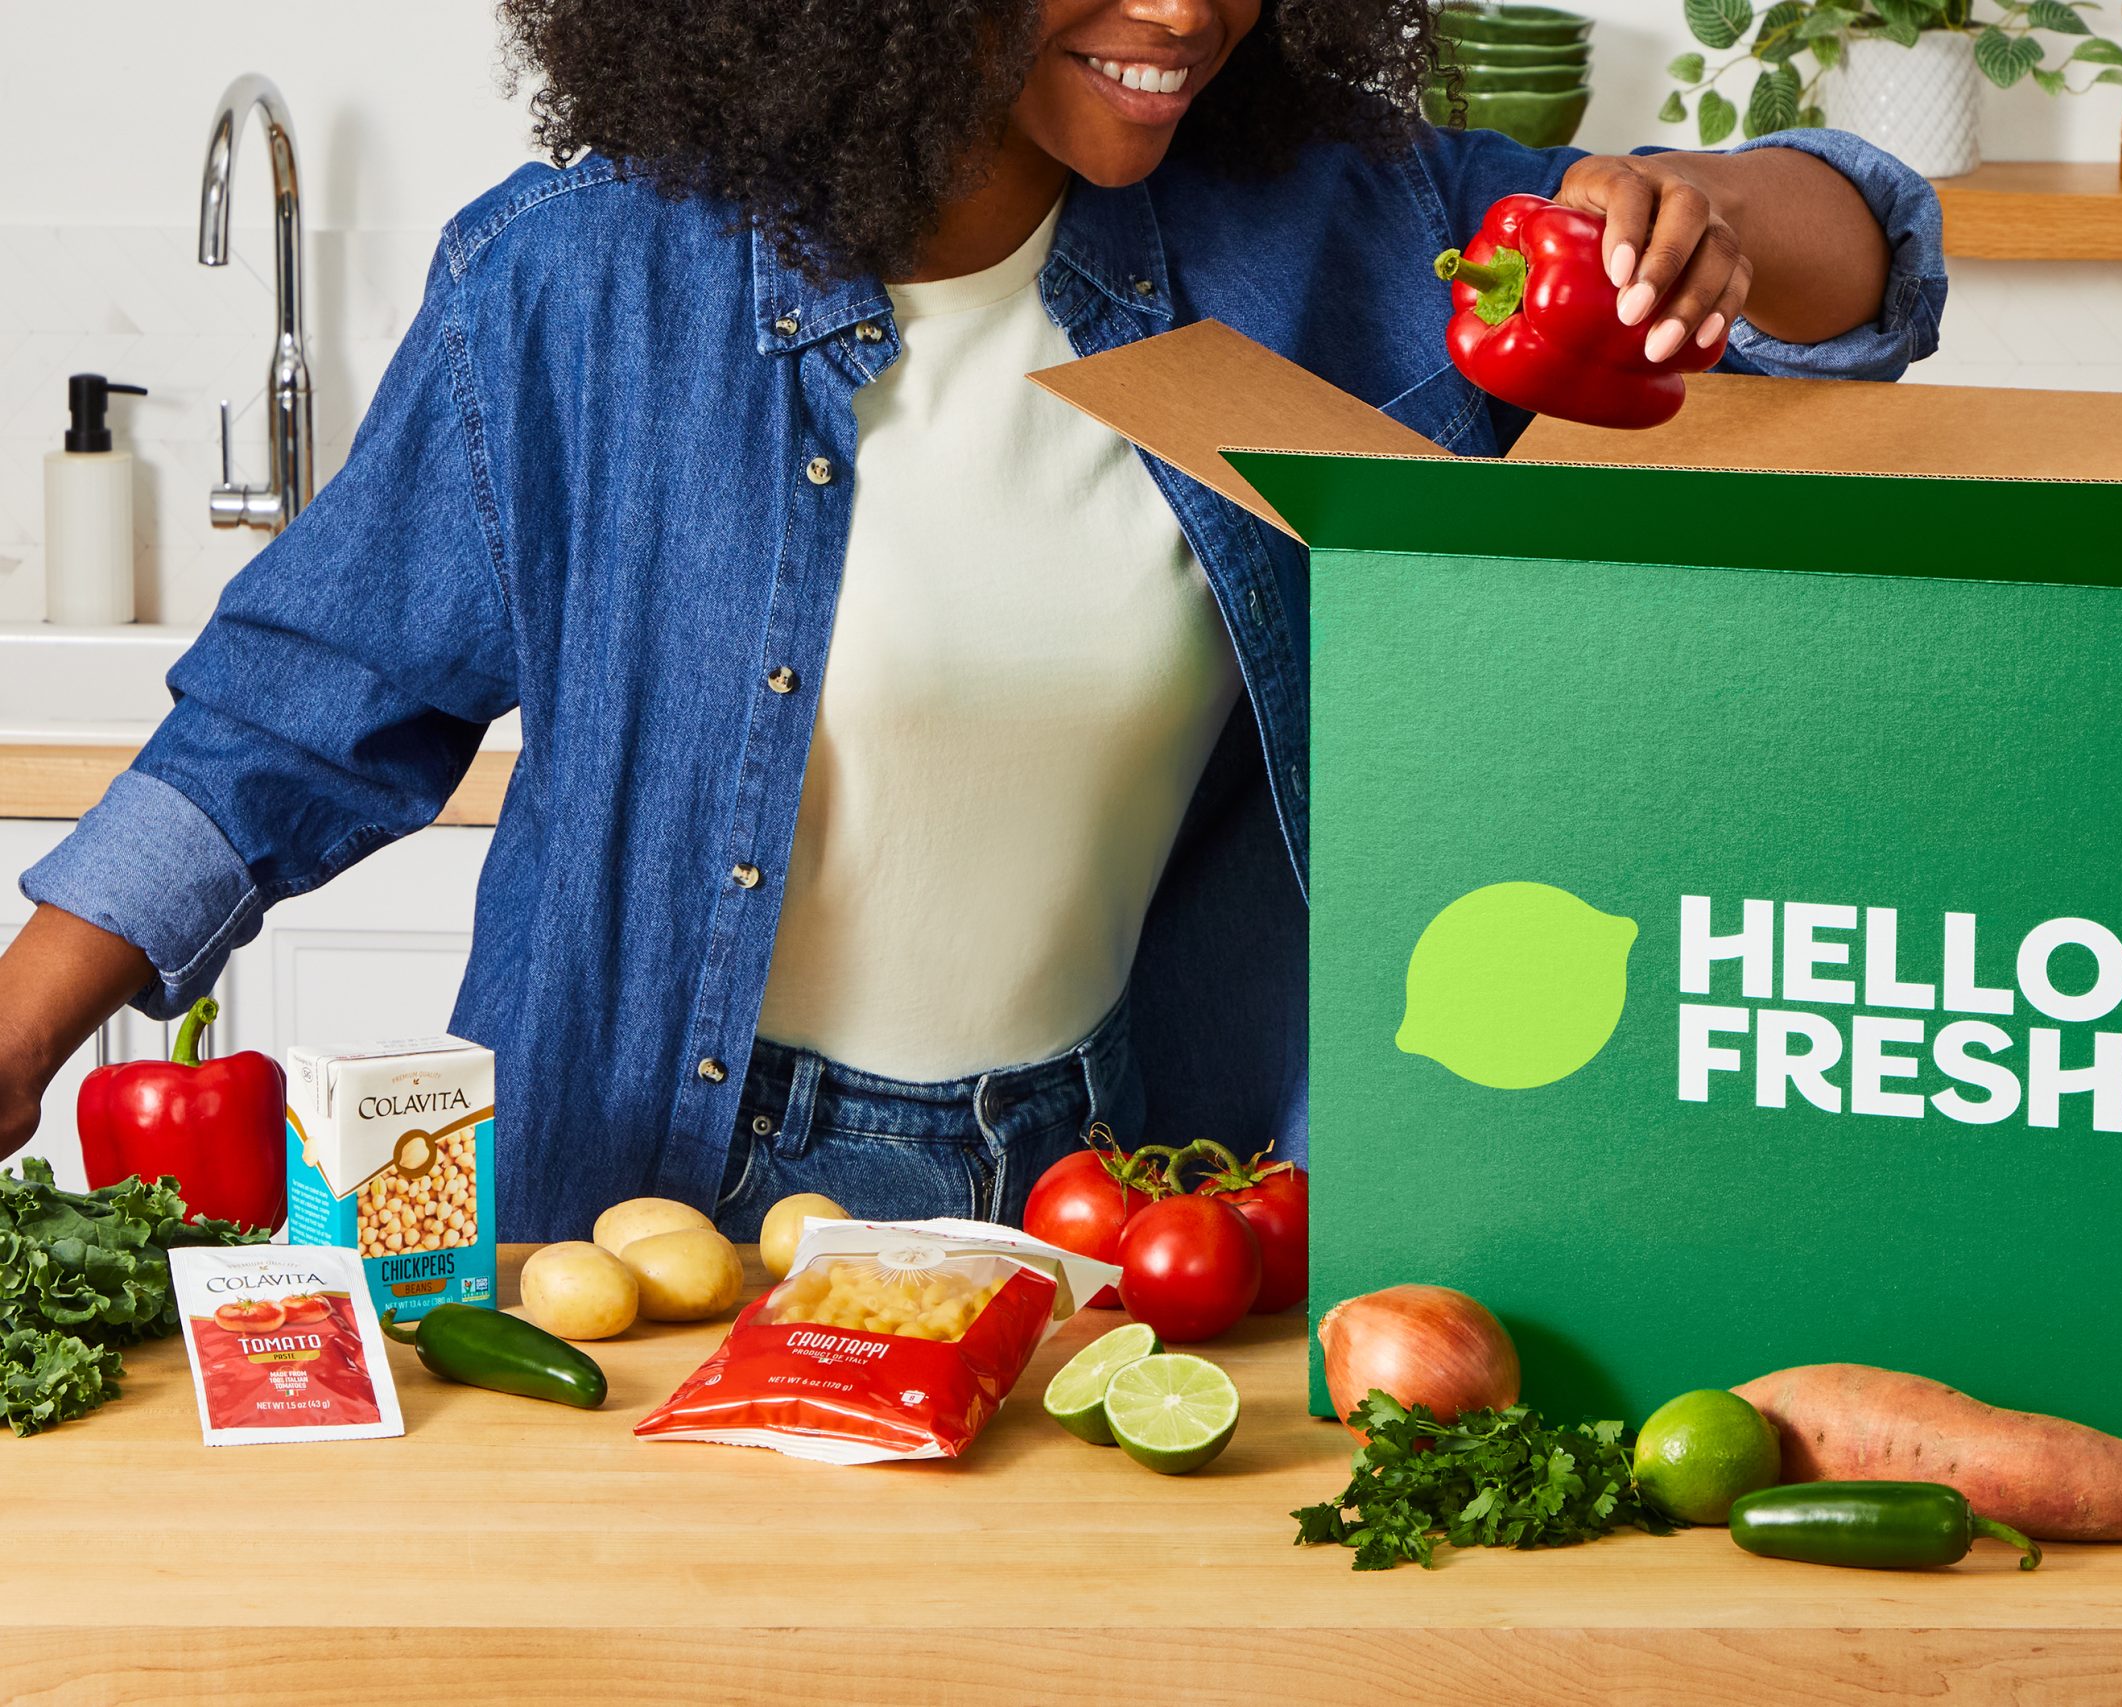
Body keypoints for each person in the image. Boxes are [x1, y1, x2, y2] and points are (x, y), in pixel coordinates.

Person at [0, 0, 1944, 1239]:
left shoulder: (1327, 244)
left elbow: (1864, 262)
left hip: (1128, 1194)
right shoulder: (579, 288)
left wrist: (1687, 200)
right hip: (647, 1203)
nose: (1180, 14)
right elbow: (295, 710)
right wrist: (19, 1038)